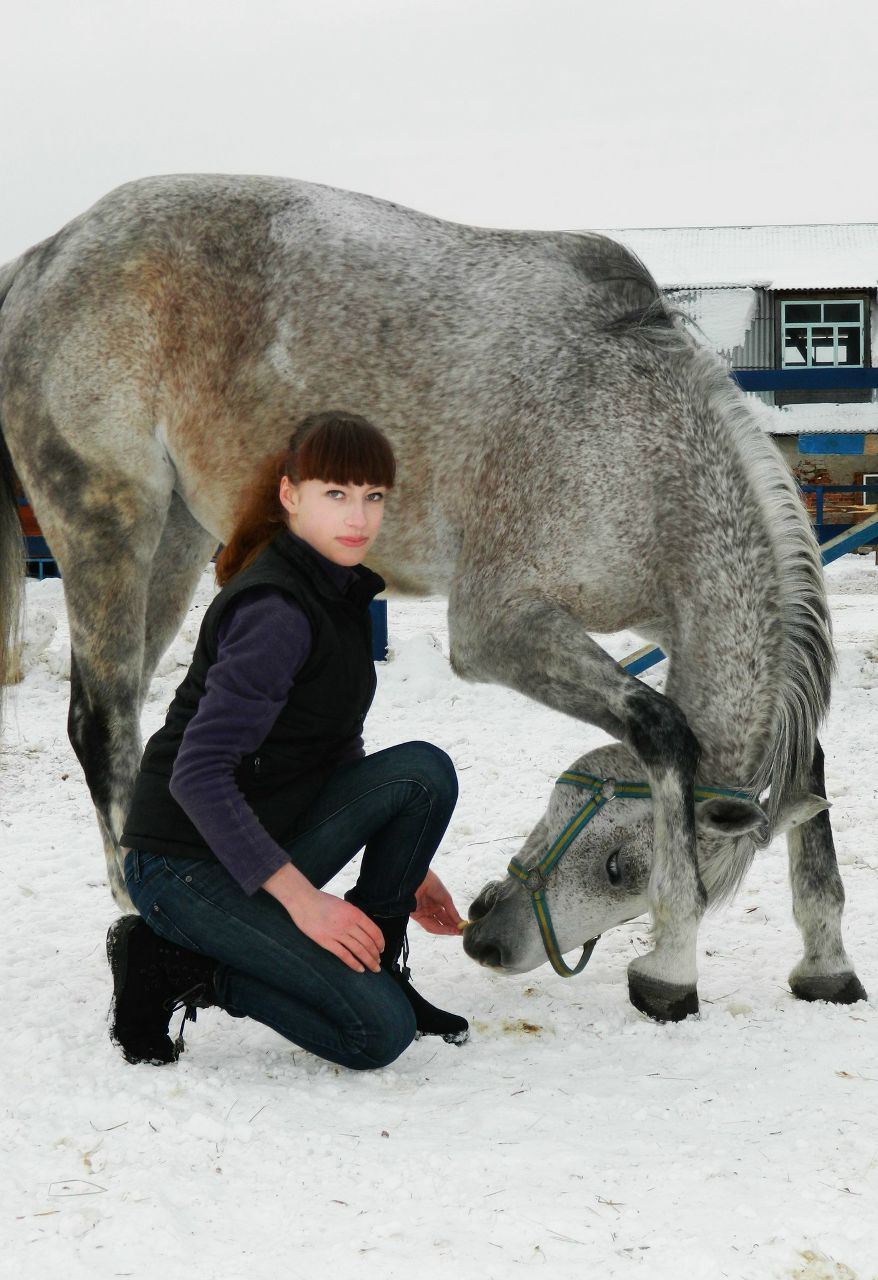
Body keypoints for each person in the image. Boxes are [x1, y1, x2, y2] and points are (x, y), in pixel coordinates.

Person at [108, 410, 468, 1070]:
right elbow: (197, 774)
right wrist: (307, 905)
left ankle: (380, 962)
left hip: (259, 833)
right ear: (290, 495)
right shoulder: (276, 613)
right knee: (375, 1035)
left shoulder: (337, 591)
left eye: (373, 497)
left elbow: (332, 747)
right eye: (336, 494)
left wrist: (407, 864)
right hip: (181, 864)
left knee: (422, 773)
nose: (358, 517)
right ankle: (182, 968)